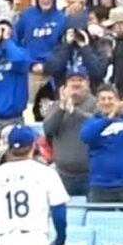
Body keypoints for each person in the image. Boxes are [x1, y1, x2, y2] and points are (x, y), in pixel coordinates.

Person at [42, 66, 96, 196]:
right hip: (63, 175)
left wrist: (73, 111)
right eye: (72, 81)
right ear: (65, 86)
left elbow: (96, 124)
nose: (76, 84)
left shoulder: (97, 103)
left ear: (87, 83)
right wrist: (62, 108)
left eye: (80, 80)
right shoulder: (56, 106)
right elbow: (48, 129)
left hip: (92, 174)